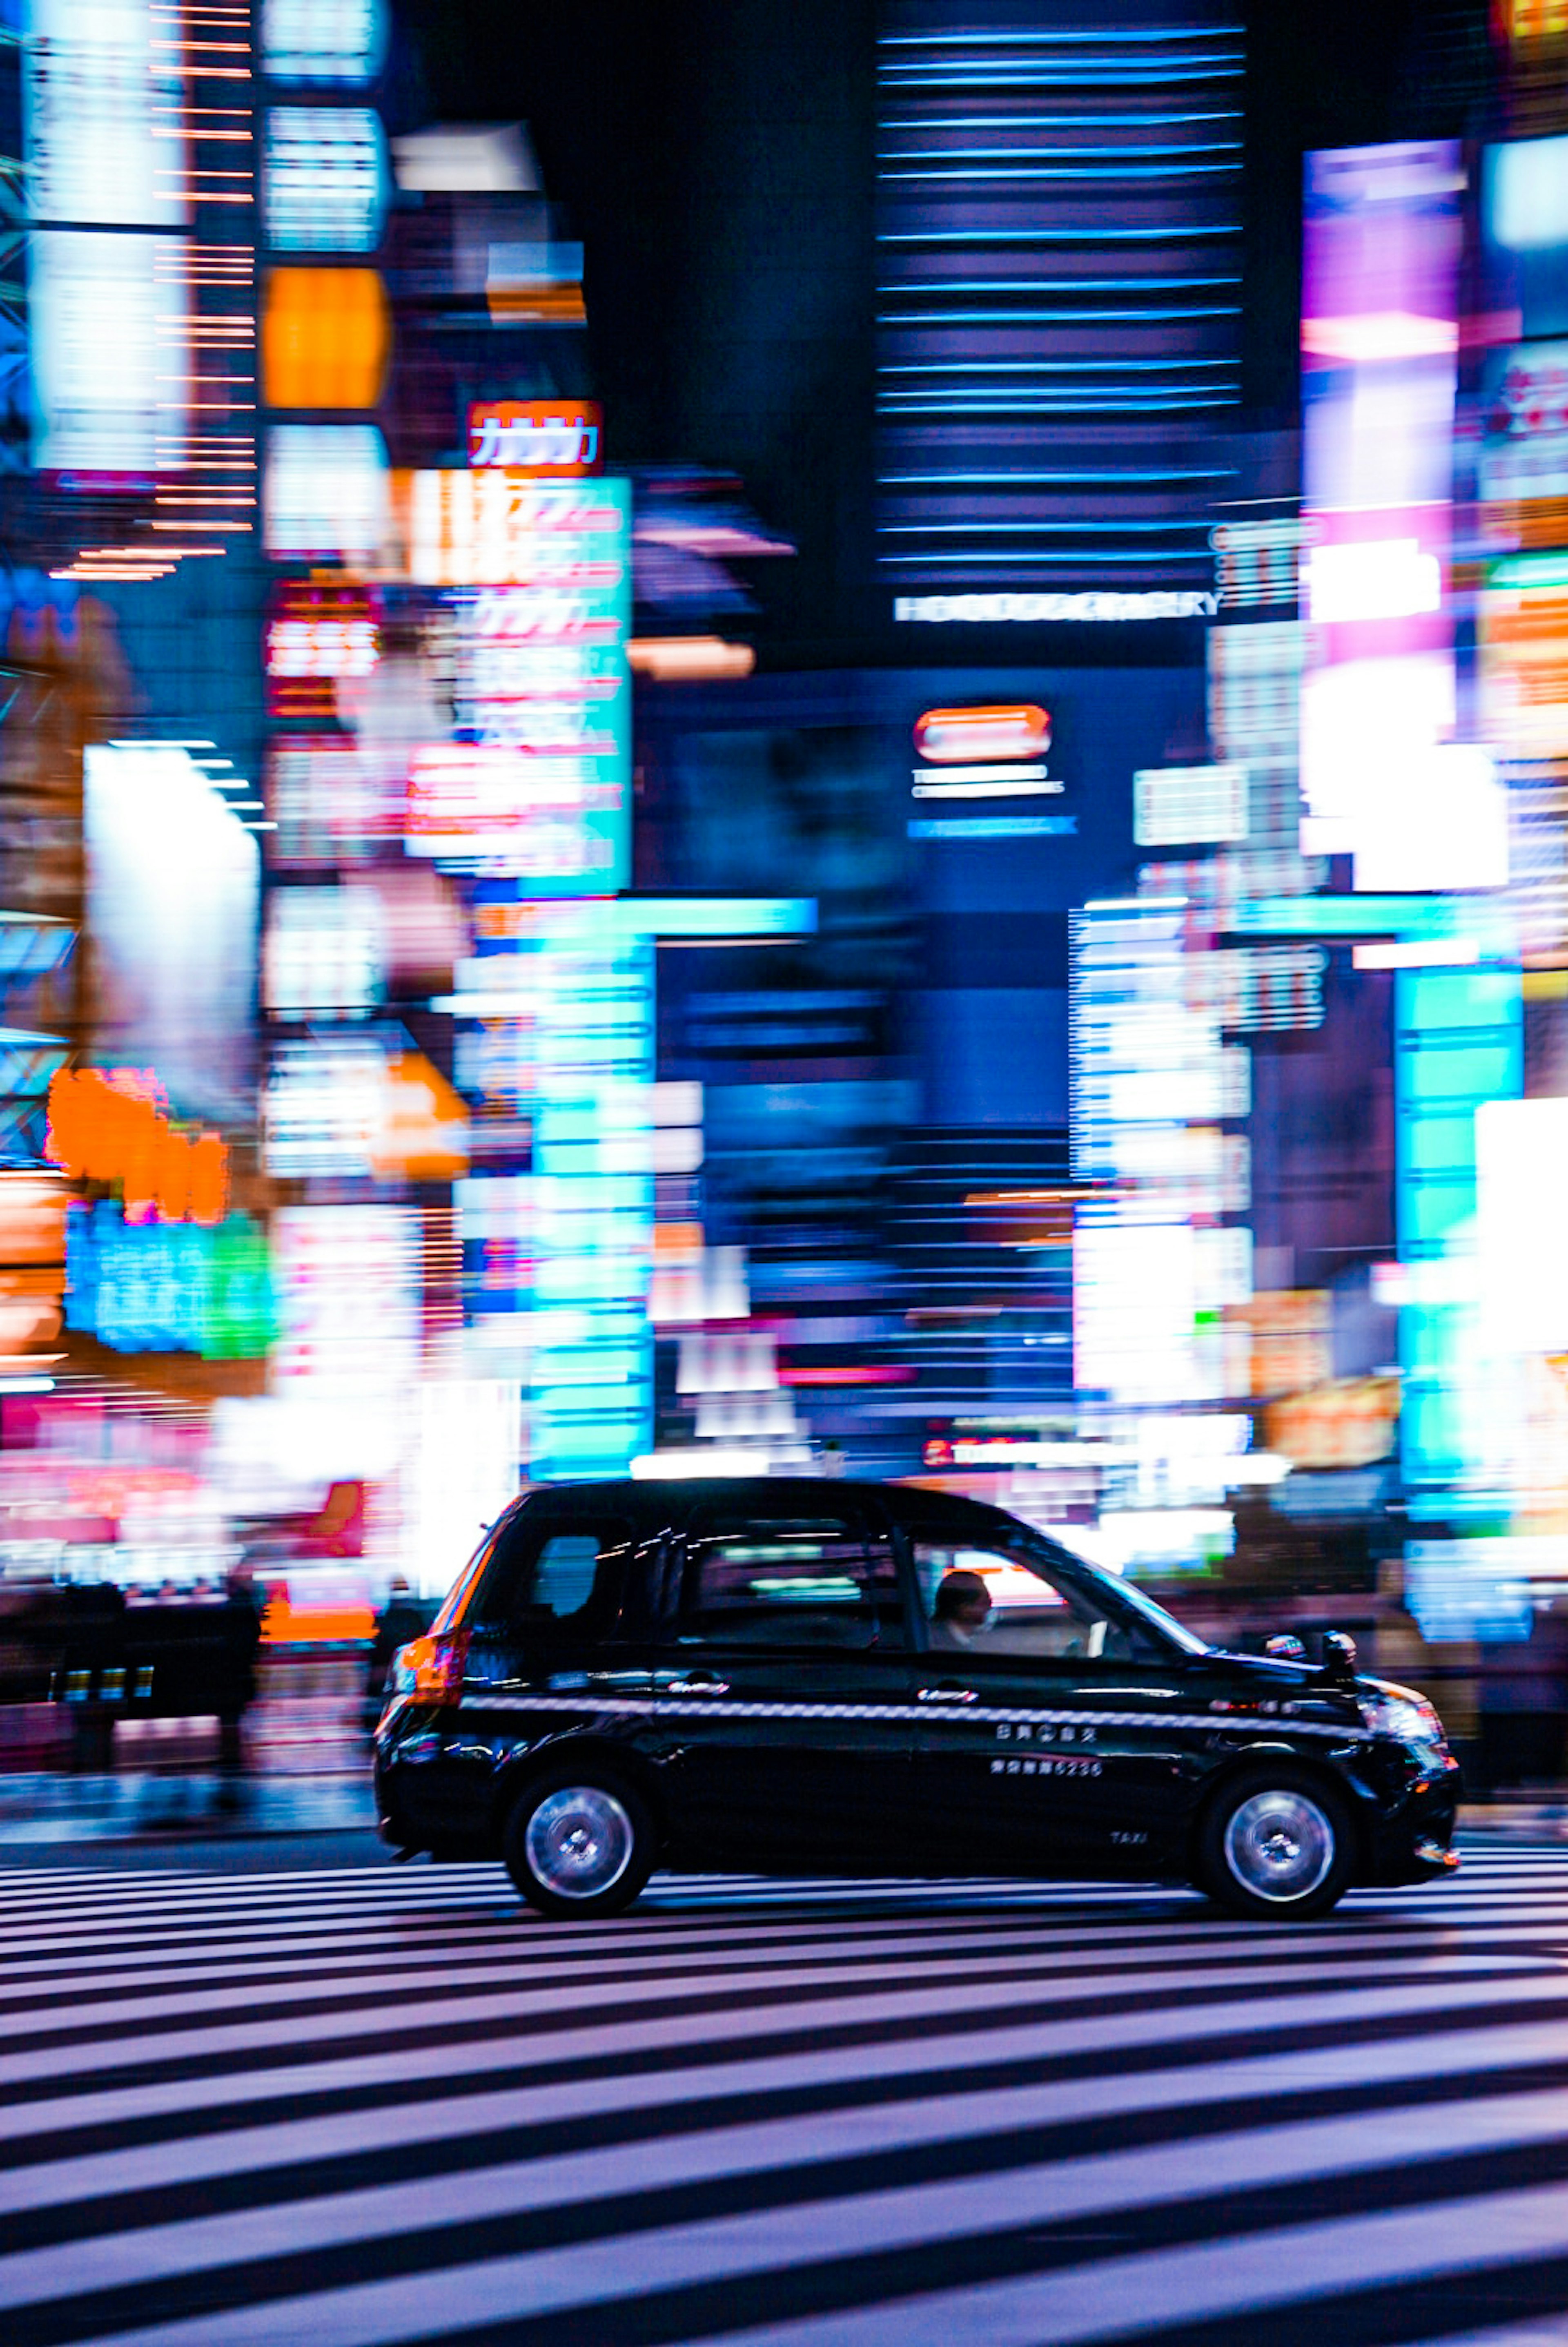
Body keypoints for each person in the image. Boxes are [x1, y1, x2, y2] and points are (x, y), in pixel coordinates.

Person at [930, 1568, 993, 1649]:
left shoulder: (959, 1640)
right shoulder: (939, 1646)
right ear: (964, 1608)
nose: (990, 1608)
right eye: (984, 1603)